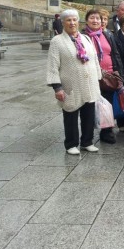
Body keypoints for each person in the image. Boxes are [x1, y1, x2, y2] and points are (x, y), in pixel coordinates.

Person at [46, 9, 101, 155]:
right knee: (70, 114)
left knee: (88, 114)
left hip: (89, 84)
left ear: (78, 21)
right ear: (63, 23)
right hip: (70, 85)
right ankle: (71, 143)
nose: (72, 23)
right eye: (68, 20)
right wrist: (57, 88)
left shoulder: (86, 38)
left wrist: (98, 79)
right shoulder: (57, 41)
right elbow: (53, 65)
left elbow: (94, 60)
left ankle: (87, 141)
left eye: (74, 20)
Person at [82, 9, 124, 144]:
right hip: (90, 77)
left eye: (98, 19)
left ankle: (106, 132)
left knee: (107, 105)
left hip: (109, 76)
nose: (95, 21)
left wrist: (119, 73)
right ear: (86, 21)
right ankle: (87, 135)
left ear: (102, 21)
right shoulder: (82, 37)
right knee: (89, 106)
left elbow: (115, 54)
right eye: (92, 18)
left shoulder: (107, 35)